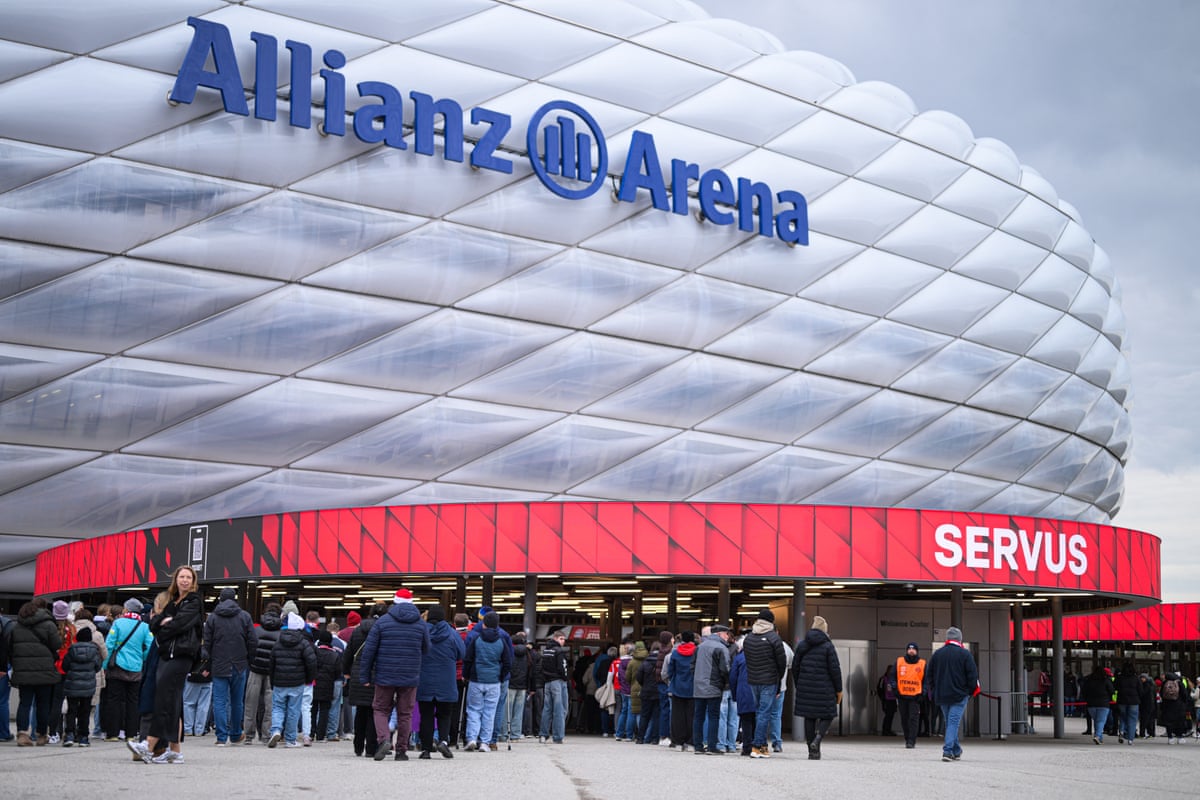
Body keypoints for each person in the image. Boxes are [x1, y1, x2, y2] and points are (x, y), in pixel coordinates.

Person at [129, 564, 205, 765]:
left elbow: (181, 624)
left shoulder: (194, 601)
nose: (185, 580)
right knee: (172, 702)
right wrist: (164, 623)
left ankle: (149, 744)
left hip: (181, 655)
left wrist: (166, 625)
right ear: (176, 579)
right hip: (168, 655)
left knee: (164, 699)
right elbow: (154, 624)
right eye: (182, 577)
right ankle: (175, 750)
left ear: (193, 581)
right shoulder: (174, 601)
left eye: (189, 577)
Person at [358, 588, 430, 761]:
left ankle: (383, 740)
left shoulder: (382, 622)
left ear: (394, 602)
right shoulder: (420, 624)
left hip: (385, 674)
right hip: (410, 675)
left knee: (381, 709)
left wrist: (365, 676)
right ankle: (402, 751)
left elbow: (369, 651)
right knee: (405, 713)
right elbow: (427, 649)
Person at [203, 587, 257, 746]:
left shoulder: (213, 618)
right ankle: (235, 734)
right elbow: (253, 641)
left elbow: (207, 643)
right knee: (237, 701)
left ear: (220, 599)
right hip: (239, 664)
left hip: (219, 664)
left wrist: (209, 662)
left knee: (219, 701)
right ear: (234, 599)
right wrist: (250, 659)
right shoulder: (244, 616)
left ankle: (221, 737)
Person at [416, 604, 464, 759]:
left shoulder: (421, 632)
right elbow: (461, 653)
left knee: (426, 715)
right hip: (447, 680)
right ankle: (443, 740)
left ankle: (426, 749)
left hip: (425, 679)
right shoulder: (452, 634)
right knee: (445, 714)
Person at [926, 626, 978, 762]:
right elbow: (972, 675)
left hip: (942, 694)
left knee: (950, 721)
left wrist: (934, 688)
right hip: (959, 695)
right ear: (960, 639)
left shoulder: (938, 654)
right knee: (953, 722)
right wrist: (970, 691)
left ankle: (956, 750)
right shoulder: (965, 654)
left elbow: (929, 674)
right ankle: (948, 751)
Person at [793, 615, 841, 760]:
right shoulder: (828, 646)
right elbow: (835, 669)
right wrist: (839, 689)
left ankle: (812, 751)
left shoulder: (802, 645)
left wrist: (799, 684)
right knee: (829, 714)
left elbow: (795, 667)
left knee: (809, 717)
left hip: (805, 687)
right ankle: (817, 739)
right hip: (825, 688)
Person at [102, 598, 151, 742]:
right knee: (133, 701)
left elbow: (109, 645)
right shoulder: (144, 627)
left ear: (126, 609)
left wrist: (105, 665)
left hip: (117, 667)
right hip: (136, 669)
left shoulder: (118, 623)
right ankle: (131, 733)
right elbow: (149, 646)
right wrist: (141, 658)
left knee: (114, 700)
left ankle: (112, 733)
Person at [267, 612, 317, 749]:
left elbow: (271, 664)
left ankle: (276, 730)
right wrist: (309, 679)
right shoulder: (303, 643)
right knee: (293, 710)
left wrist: (272, 681)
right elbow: (311, 662)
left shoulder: (278, 643)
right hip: (297, 682)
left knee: (277, 708)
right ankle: (290, 739)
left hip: (279, 681)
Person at [463, 611, 511, 751]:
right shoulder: (502, 641)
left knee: (473, 710)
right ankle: (485, 742)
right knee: (490, 712)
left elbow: (468, 659)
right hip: (494, 681)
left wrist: (466, 675)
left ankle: (472, 738)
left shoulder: (476, 639)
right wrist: (501, 676)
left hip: (476, 680)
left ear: (483, 624)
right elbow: (508, 662)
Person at [742, 608, 786, 758]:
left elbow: (747, 660)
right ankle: (757, 746)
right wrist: (778, 680)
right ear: (771, 622)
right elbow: (782, 662)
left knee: (759, 712)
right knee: (764, 713)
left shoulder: (748, 638)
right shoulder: (774, 638)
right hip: (769, 681)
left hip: (753, 680)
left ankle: (762, 746)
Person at [343, 603, 385, 757]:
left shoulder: (357, 631)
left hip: (358, 675)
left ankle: (358, 746)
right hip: (377, 675)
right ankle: (371, 748)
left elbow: (348, 654)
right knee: (375, 712)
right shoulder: (384, 630)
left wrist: (346, 672)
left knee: (360, 711)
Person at [244, 602, 283, 744]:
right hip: (272, 672)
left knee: (250, 704)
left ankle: (248, 735)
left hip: (255, 669)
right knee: (270, 705)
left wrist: (251, 662)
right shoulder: (281, 633)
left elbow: (249, 647)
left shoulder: (255, 629)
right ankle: (267, 735)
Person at [692, 624, 732, 755]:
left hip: (698, 686)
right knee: (714, 716)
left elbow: (692, 666)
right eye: (726, 634)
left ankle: (697, 746)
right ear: (720, 634)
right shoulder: (721, 648)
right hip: (714, 686)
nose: (728, 637)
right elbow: (725, 669)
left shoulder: (699, 647)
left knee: (698, 717)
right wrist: (725, 684)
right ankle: (711, 746)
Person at [61, 626, 102, 747]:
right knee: (85, 710)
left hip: (72, 684)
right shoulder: (95, 650)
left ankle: (69, 734)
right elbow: (98, 666)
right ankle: (83, 736)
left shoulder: (72, 649)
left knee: (71, 710)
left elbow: (65, 666)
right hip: (88, 685)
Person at [538, 629, 571, 744]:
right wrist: (566, 679)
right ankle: (558, 736)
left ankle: (543, 734)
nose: (563, 642)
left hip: (547, 683)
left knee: (547, 709)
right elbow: (563, 668)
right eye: (561, 639)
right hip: (558, 682)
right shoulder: (559, 652)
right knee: (560, 709)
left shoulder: (546, 651)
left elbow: (541, 668)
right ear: (556, 638)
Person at [666, 631, 696, 751]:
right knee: (691, 716)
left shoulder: (675, 653)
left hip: (677, 686)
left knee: (677, 715)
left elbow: (670, 671)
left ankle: (678, 741)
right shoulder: (696, 651)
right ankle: (690, 741)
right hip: (693, 687)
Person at [312, 630, 343, 741]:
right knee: (325, 710)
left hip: (314, 684)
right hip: (328, 685)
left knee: (313, 709)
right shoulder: (334, 655)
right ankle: (321, 735)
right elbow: (337, 672)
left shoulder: (314, 652)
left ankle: (311, 733)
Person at [728, 635, 756, 756]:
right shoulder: (760, 657)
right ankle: (758, 745)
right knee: (758, 719)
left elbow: (733, 678)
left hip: (743, 692)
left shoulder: (739, 659)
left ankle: (747, 747)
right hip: (758, 692)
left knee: (745, 720)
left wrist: (734, 695)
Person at [895, 642, 926, 749]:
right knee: (904, 718)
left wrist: (923, 693)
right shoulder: (899, 661)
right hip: (902, 696)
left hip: (915, 697)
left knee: (913, 719)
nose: (911, 651)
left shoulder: (922, 663)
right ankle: (907, 737)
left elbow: (926, 681)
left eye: (913, 649)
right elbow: (892, 677)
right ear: (906, 650)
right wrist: (896, 690)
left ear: (917, 651)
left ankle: (911, 741)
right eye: (909, 649)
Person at [505, 631, 533, 742]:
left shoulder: (509, 652)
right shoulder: (528, 653)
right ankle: (515, 735)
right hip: (523, 686)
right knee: (518, 711)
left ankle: (504, 733)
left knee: (507, 711)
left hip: (510, 684)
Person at [1081, 663, 1115, 744]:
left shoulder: (1089, 680)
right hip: (1103, 703)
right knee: (1101, 721)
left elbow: (1084, 691)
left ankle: (1100, 738)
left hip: (1091, 704)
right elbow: (1112, 691)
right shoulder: (1106, 680)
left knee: (1097, 721)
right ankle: (1097, 736)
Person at [1159, 669, 1189, 743]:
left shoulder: (1165, 683)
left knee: (1169, 722)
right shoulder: (1179, 683)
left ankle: (1170, 738)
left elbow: (1161, 694)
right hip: (1179, 705)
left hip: (1168, 705)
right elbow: (1185, 694)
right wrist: (1184, 702)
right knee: (1179, 722)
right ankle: (1180, 737)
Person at [1113, 661, 1139, 745]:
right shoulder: (1136, 678)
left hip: (1122, 700)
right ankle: (1130, 739)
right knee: (1132, 720)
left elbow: (1115, 687)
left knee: (1122, 717)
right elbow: (1141, 690)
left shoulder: (1119, 677)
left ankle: (1121, 731)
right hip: (1134, 701)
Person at [877, 663, 898, 736]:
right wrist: (882, 698)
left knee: (891, 715)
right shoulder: (883, 679)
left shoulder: (895, 679)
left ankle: (888, 729)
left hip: (893, 699)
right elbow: (879, 689)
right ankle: (885, 730)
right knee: (887, 715)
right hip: (886, 700)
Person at [1137, 673, 1157, 738]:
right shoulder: (1152, 684)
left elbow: (1142, 693)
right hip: (1151, 704)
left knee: (1144, 719)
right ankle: (1151, 733)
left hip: (1145, 704)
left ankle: (1142, 733)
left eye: (1142, 678)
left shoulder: (1146, 685)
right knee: (1150, 719)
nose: (1141, 679)